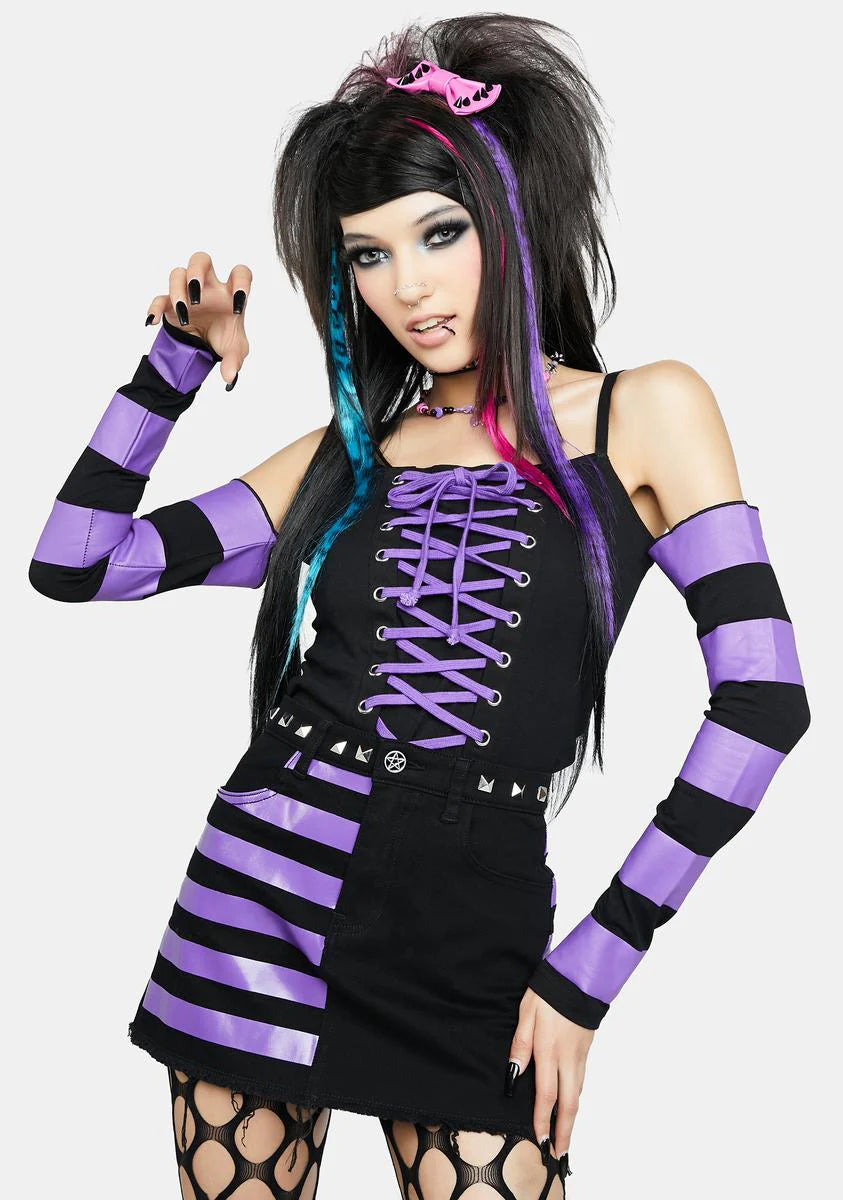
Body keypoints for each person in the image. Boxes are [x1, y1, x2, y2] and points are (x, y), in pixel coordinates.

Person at [28, 15, 811, 1200]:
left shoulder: (643, 412)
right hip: (258, 905)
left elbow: (764, 700)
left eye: (439, 233)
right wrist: (172, 365)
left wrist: (590, 970)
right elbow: (80, 562)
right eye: (367, 254)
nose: (408, 287)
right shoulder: (350, 457)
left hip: (474, 933)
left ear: (511, 219)